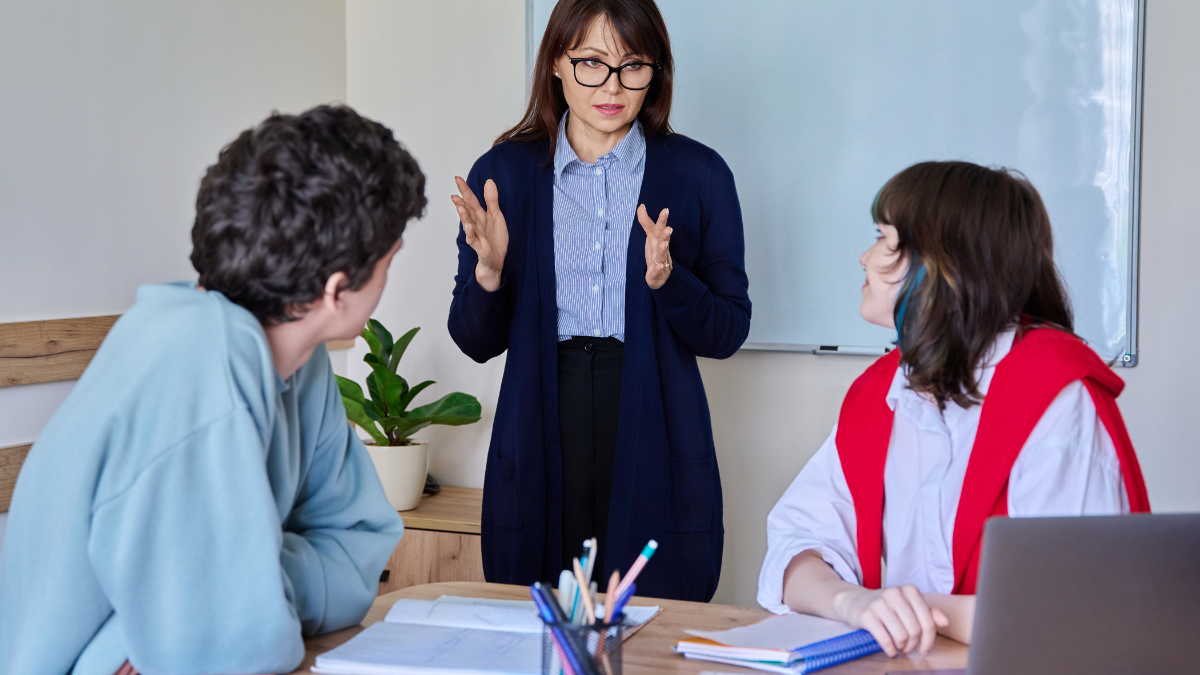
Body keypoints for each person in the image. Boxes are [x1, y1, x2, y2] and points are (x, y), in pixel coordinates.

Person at [0, 105, 425, 675]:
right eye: (388, 262)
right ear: (336, 288)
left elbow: (359, 546)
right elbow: (231, 653)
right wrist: (238, 603)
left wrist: (254, 582)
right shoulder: (195, 356)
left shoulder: (302, 363)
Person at [757, 161, 1150, 655]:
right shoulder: (880, 391)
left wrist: (911, 607)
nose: (864, 257)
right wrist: (853, 603)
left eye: (884, 239)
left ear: (941, 263)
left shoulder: (1054, 395)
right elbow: (795, 550)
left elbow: (1075, 612)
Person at [447, 0, 750, 601]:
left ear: (655, 72)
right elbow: (475, 341)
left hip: (653, 414)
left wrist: (669, 282)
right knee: (540, 618)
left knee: (649, 621)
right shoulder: (503, 173)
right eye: (590, 63)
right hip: (542, 408)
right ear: (556, 65)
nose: (611, 86)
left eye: (632, 65)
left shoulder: (699, 174)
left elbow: (727, 331)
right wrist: (490, 270)